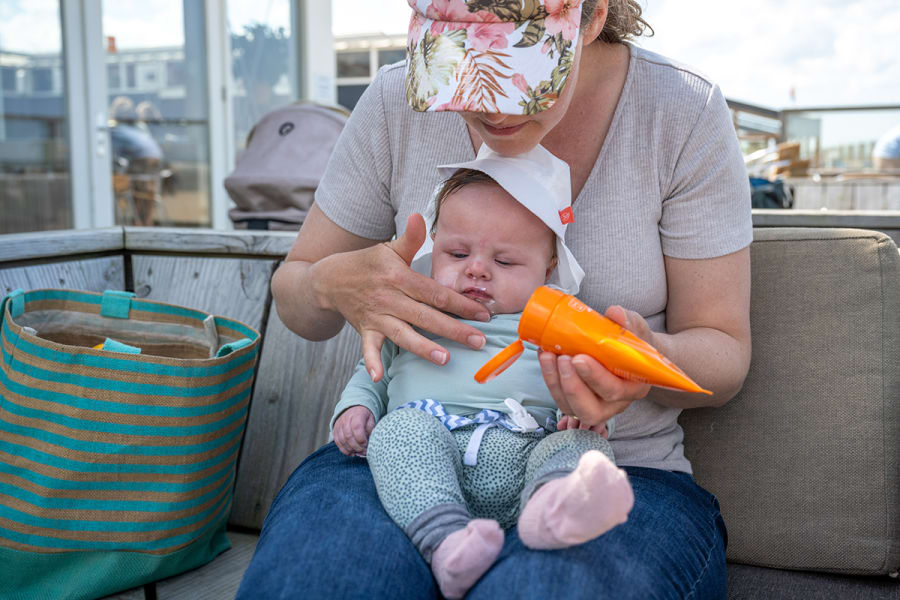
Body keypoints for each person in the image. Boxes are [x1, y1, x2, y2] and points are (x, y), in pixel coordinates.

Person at [237, 1, 751, 598]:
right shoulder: (390, 102)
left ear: (588, 18)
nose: (488, 103)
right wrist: (333, 283)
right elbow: (296, 293)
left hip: (615, 468)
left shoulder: (680, 111)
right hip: (402, 453)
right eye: (458, 63)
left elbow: (725, 353)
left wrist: (643, 358)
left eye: (519, 69)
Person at [331, 145, 634, 598]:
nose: (476, 270)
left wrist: (584, 416)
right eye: (456, 253)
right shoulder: (413, 315)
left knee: (582, 446)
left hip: (527, 451)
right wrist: (355, 407)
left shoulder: (558, 326)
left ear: (547, 268)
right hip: (429, 452)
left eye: (505, 261)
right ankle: (448, 541)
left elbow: (589, 387)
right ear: (433, 249)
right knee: (398, 433)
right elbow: (372, 370)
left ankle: (555, 509)